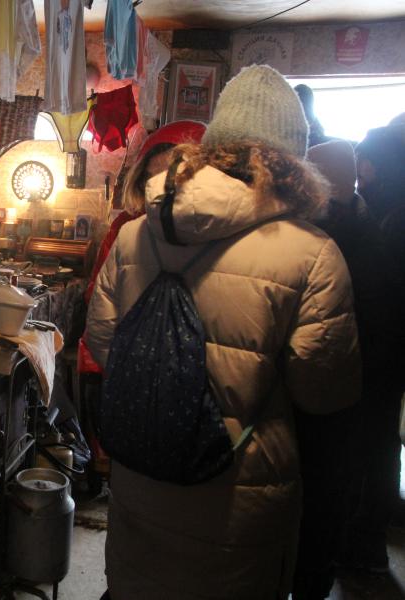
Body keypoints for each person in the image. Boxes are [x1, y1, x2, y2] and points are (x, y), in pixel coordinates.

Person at [87, 65, 361, 599]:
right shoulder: (313, 255)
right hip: (239, 497)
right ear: (295, 158)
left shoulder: (135, 233)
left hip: (142, 475)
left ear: (214, 145)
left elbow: (103, 341)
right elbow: (324, 395)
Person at [76, 120, 205, 488]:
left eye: (172, 178)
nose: (160, 190)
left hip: (184, 394)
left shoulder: (217, 238)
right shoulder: (126, 227)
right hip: (136, 382)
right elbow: (98, 308)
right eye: (152, 178)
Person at [331, 123, 405, 574]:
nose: (360, 172)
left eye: (366, 162)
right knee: (379, 447)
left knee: (369, 448)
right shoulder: (387, 209)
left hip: (378, 350)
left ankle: (361, 543)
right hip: (388, 351)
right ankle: (367, 541)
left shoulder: (387, 220)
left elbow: (378, 295)